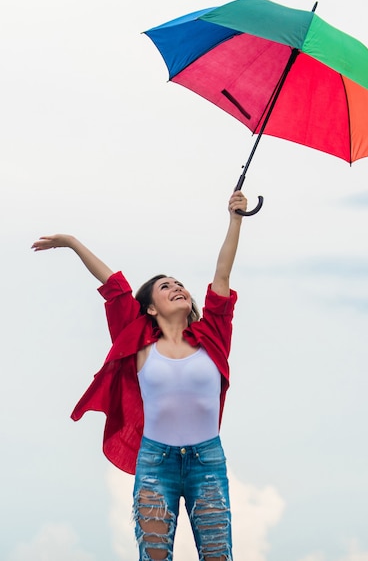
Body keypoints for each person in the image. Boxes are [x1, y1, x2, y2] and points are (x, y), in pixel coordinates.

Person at [31, 190, 248, 561]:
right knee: (154, 557)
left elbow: (222, 273)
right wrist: (71, 242)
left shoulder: (212, 333)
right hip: (155, 463)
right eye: (166, 287)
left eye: (179, 284)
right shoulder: (137, 339)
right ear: (149, 307)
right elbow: (113, 286)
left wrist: (235, 219)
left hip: (208, 461)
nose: (178, 287)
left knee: (217, 555)